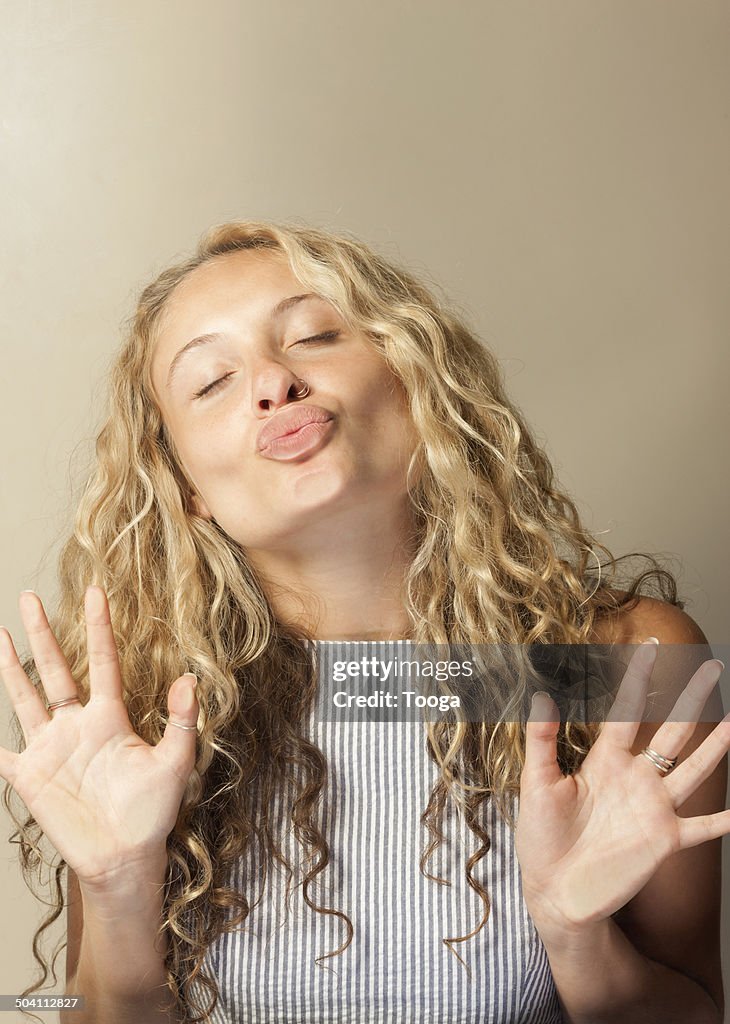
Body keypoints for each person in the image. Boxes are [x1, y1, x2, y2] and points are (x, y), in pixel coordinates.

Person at [0, 220, 727, 1024]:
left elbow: (693, 1008)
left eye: (313, 335)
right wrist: (116, 889)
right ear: (186, 488)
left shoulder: (621, 663)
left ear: (416, 378)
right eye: (210, 381)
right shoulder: (146, 708)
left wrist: (578, 937)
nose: (273, 383)